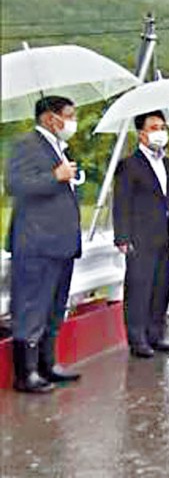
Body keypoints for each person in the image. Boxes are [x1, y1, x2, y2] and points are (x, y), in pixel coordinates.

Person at [5, 96, 84, 393]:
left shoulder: (58, 148)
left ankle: (47, 364)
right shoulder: (27, 144)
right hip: (36, 243)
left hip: (61, 243)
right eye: (69, 115)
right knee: (31, 308)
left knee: (54, 308)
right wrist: (55, 176)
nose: (72, 121)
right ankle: (26, 373)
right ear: (50, 118)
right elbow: (15, 185)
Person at [113, 110, 169, 359]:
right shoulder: (130, 165)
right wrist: (122, 237)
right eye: (154, 127)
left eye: (162, 126)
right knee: (140, 287)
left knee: (162, 287)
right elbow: (121, 203)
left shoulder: (168, 163)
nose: (160, 131)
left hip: (166, 235)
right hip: (141, 236)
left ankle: (155, 335)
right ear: (142, 133)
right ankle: (137, 339)